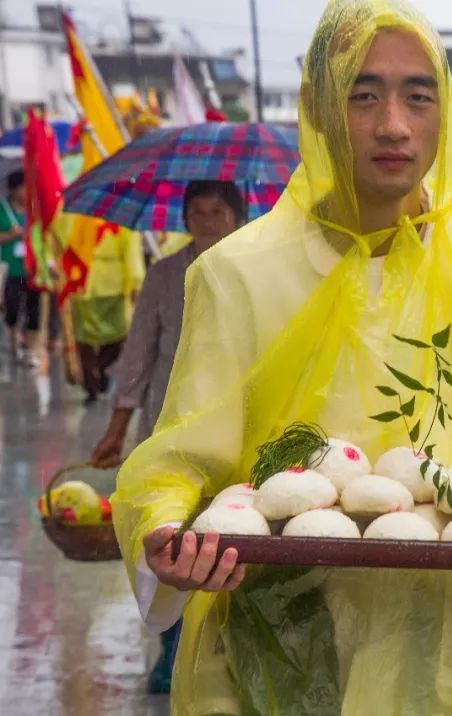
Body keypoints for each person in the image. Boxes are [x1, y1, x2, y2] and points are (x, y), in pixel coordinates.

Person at [111, 2, 452, 713]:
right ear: (316, 108)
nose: (394, 125)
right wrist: (166, 534)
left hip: (437, 647)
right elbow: (186, 456)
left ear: (445, 109)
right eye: (362, 94)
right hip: (274, 638)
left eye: (418, 95)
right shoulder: (240, 274)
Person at [90, 181, 245, 695]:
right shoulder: (163, 276)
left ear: (237, 216)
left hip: (239, 429)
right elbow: (137, 357)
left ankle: (227, 646)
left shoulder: (254, 271)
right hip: (168, 427)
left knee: (230, 538)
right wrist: (116, 430)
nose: (206, 221)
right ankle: (172, 649)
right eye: (196, 212)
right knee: (169, 537)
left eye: (217, 211)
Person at [69, 219, 145, 403]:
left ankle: (93, 377)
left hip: (82, 278)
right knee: (117, 333)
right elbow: (131, 251)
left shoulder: (78, 216)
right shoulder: (123, 218)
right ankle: (98, 374)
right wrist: (136, 281)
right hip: (111, 282)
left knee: (85, 335)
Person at [1, 171, 42, 367]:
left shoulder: (35, 209)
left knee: (34, 312)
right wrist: (11, 234)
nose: (26, 191)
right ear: (13, 189)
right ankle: (13, 342)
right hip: (10, 269)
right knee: (12, 309)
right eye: (23, 187)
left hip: (32, 269)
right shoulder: (3, 209)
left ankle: (30, 349)